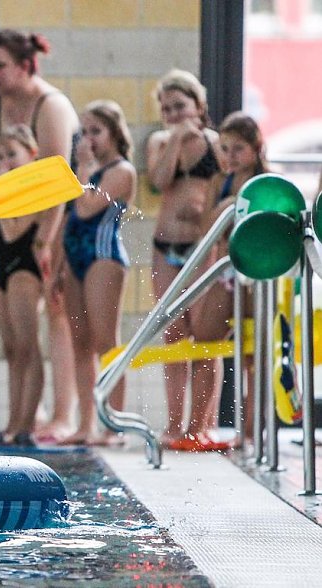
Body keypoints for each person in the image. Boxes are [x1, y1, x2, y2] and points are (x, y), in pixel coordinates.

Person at [0, 28, 79, 443]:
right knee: (16, 341)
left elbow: (57, 179)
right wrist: (7, 214)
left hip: (52, 222)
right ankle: (24, 418)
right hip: (10, 220)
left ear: (25, 66)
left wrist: (43, 239)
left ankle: (62, 416)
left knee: (56, 317)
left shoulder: (51, 105)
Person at [146, 69, 225, 450]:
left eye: (180, 106)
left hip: (201, 247)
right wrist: (176, 138)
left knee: (205, 337)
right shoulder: (160, 142)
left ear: (199, 105)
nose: (174, 114)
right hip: (165, 249)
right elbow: (159, 182)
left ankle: (200, 425)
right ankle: (175, 424)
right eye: (167, 108)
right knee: (174, 335)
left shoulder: (216, 144)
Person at [61, 100, 137, 446]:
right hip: (75, 259)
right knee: (80, 344)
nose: (88, 139)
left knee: (106, 342)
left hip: (104, 257)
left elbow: (86, 205)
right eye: (84, 132)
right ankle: (86, 424)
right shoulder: (85, 171)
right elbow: (68, 219)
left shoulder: (121, 171)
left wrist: (84, 166)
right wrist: (58, 268)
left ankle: (114, 424)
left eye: (96, 131)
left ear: (115, 133)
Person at [193, 111, 270, 446]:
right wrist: (228, 204)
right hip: (227, 270)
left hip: (258, 274)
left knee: (255, 355)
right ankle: (198, 425)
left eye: (237, 148)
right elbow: (204, 230)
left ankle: (251, 432)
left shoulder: (268, 183)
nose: (230, 156)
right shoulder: (218, 182)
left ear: (256, 148)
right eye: (224, 149)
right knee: (205, 343)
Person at [0, 124, 48, 447]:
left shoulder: (36, 190)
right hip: (0, 269)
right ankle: (11, 423)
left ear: (31, 155)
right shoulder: (3, 191)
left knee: (27, 347)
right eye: (0, 157)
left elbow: (13, 233)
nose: (5, 162)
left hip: (25, 269)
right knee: (11, 351)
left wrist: (0, 193)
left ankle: (27, 425)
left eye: (11, 155)